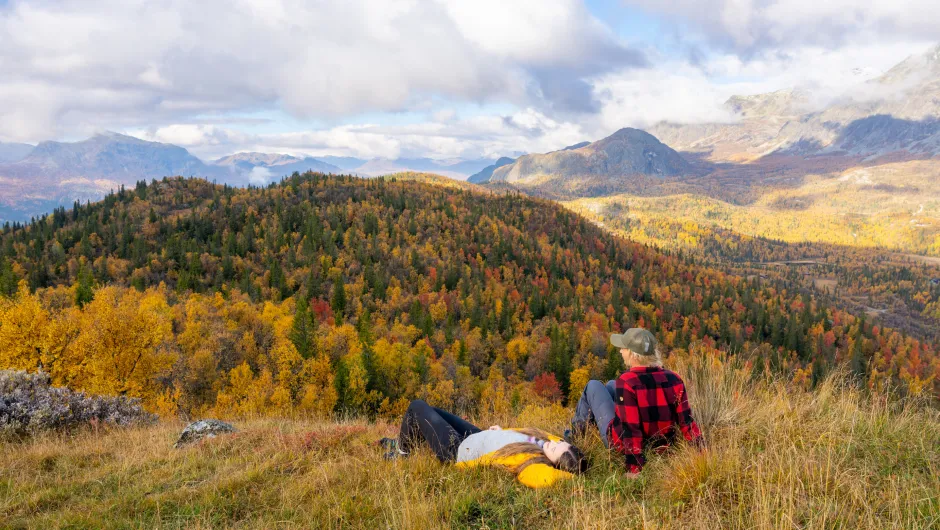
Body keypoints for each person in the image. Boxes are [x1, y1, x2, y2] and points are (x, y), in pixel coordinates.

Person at [568, 328, 703, 476]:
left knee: (593, 385)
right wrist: (702, 452)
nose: (620, 351)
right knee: (612, 385)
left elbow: (630, 429)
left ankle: (574, 438)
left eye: (623, 348)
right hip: (661, 444)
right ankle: (587, 431)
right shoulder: (674, 379)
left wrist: (634, 468)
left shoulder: (627, 382)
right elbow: (687, 422)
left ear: (633, 354)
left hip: (620, 442)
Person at [379, 399, 588, 488]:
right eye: (560, 443)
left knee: (417, 406)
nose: (554, 444)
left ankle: (402, 452)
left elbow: (547, 479)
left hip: (458, 450)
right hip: (478, 435)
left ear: (555, 462)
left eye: (556, 450)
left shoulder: (532, 463)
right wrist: (500, 432)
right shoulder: (543, 440)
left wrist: (576, 479)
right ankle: (404, 441)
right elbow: (554, 440)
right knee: (431, 410)